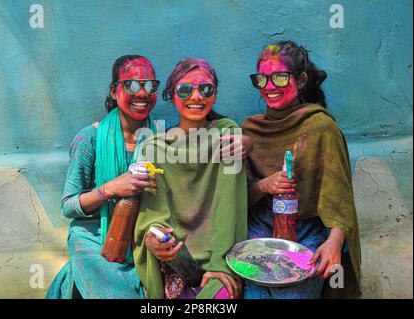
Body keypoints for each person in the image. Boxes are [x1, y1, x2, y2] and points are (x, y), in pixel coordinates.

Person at [242, 41, 361, 299]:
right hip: (259, 231)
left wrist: (334, 242)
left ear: (302, 79)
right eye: (262, 79)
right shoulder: (249, 131)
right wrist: (265, 185)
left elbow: (339, 197)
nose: (270, 87)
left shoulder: (321, 128)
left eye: (280, 78)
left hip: (306, 233)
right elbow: (240, 200)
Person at [133, 57, 251, 299]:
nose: (197, 97)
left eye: (205, 89)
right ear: (172, 95)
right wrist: (153, 239)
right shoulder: (155, 148)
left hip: (222, 259)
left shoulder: (227, 137)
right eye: (186, 90)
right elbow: (151, 217)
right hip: (175, 261)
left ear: (214, 94)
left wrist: (220, 263)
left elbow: (230, 208)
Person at [46, 55, 160, 298]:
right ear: (113, 90)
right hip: (94, 240)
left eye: (150, 86)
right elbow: (69, 206)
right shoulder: (89, 139)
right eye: (131, 85)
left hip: (142, 237)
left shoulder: (162, 137)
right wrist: (109, 189)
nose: (142, 94)